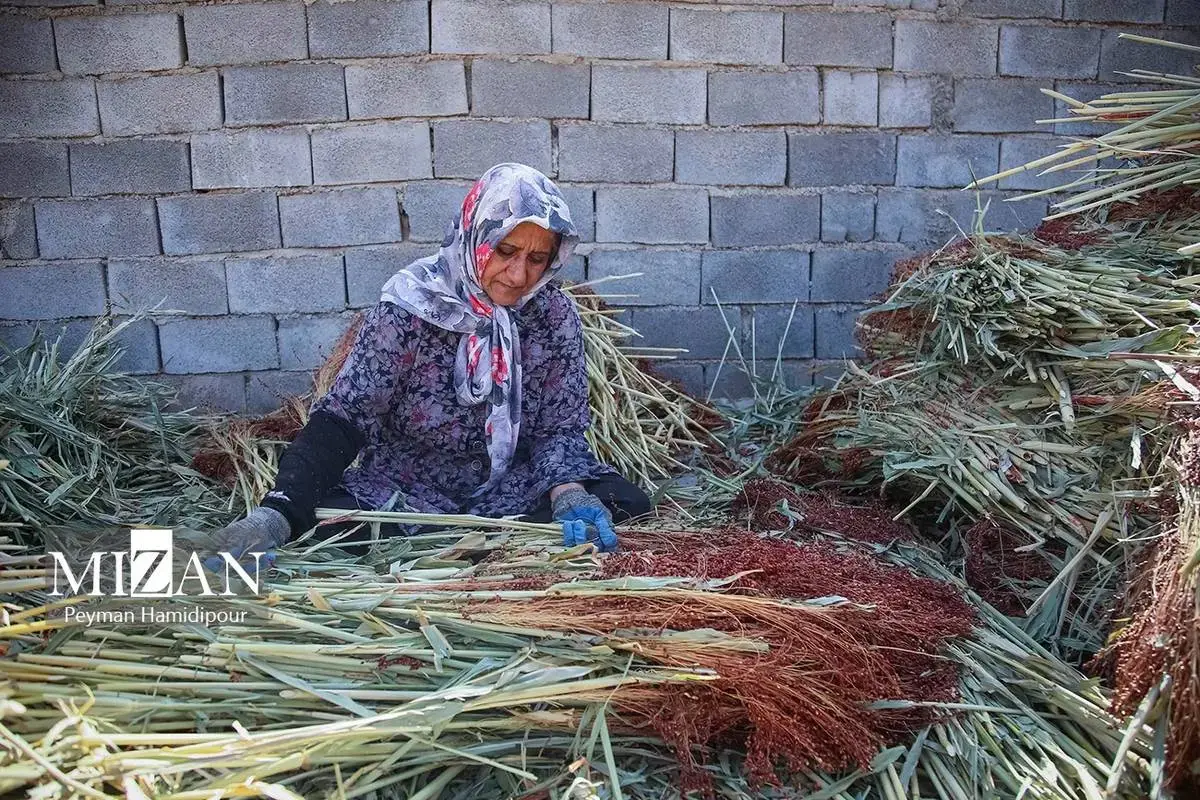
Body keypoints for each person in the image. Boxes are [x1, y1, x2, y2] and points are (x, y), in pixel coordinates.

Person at [213, 163, 651, 561]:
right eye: (504, 251)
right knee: (328, 529)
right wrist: (276, 514)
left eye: (536, 259)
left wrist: (567, 489)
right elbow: (345, 418)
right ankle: (478, 545)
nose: (518, 276)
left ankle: (492, 541)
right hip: (407, 493)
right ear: (476, 236)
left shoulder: (552, 315)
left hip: (513, 489)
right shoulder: (411, 308)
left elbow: (559, 427)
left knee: (623, 503)